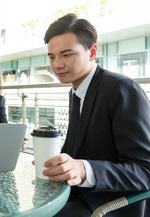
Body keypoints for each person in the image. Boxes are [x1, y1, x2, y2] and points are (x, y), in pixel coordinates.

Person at [42, 14, 150, 216]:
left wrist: (84, 170)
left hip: (110, 204)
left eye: (66, 55)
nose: (57, 64)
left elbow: (145, 170)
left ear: (92, 52)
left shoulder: (122, 89)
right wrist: (56, 163)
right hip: (78, 195)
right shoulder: (76, 91)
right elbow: (79, 152)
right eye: (51, 56)